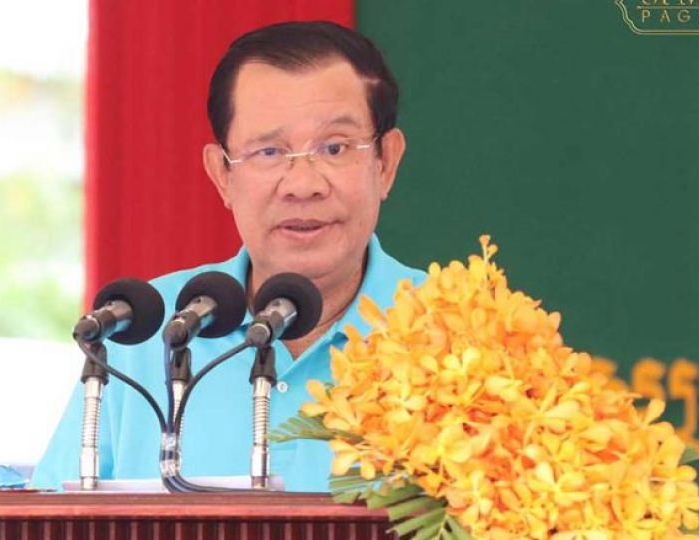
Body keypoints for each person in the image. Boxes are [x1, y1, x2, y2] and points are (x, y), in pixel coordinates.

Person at [31, 20, 424, 492]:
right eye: (268, 151)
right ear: (222, 175)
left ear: (386, 163)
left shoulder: (461, 335)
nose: (303, 185)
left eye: (335, 147)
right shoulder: (142, 330)